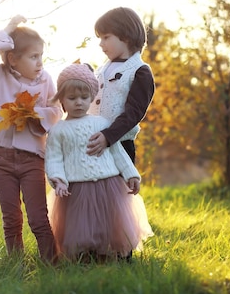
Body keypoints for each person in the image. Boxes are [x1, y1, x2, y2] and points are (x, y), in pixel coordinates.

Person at [0, 15, 62, 263]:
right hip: (2, 159)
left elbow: (56, 111)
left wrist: (35, 114)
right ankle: (15, 265)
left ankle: (51, 264)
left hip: (32, 160)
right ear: (12, 58)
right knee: (11, 218)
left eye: (41, 56)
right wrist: (8, 30)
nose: (40, 63)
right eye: (33, 57)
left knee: (38, 218)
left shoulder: (46, 81)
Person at [45, 63, 153, 262]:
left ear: (92, 96)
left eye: (84, 98)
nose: (79, 102)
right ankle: (84, 260)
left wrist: (131, 175)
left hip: (108, 186)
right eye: (72, 98)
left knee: (109, 225)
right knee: (81, 227)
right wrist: (58, 180)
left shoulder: (101, 123)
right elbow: (53, 159)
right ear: (61, 99)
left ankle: (107, 258)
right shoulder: (58, 130)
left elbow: (118, 152)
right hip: (76, 189)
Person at [86, 7, 155, 165]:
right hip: (91, 146)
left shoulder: (139, 72)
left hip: (119, 147)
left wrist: (108, 136)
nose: (100, 43)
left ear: (126, 36)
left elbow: (134, 113)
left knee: (115, 189)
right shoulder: (101, 69)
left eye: (106, 37)